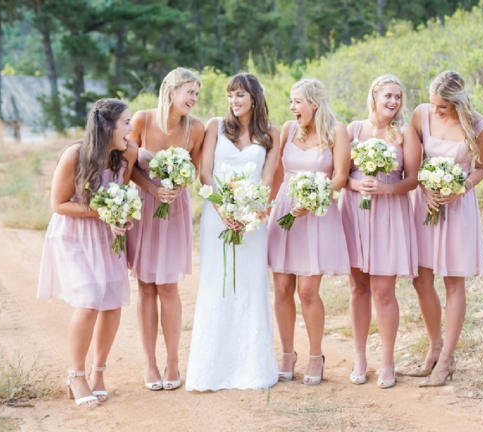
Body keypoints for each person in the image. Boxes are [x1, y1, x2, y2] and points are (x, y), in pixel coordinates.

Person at [38, 98, 137, 406]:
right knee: (90, 298)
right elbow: (58, 203)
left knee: (112, 302)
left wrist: (123, 214)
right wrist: (101, 212)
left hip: (107, 236)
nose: (131, 129)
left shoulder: (126, 153)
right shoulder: (75, 155)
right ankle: (76, 375)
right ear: (108, 126)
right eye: (126, 123)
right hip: (74, 235)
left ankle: (99, 372)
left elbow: (126, 190)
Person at [186, 73, 280, 391]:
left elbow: (267, 179)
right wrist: (223, 209)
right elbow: (204, 172)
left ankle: (251, 368)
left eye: (240, 95)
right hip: (217, 217)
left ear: (254, 97)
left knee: (251, 286)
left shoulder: (271, 134)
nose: (234, 101)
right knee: (218, 284)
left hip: (252, 221)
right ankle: (211, 367)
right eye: (230, 96)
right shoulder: (216, 126)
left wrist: (248, 211)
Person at [404, 70, 483, 387]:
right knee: (420, 278)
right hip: (426, 204)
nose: (435, 110)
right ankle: (434, 348)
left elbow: (481, 168)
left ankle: (447, 360)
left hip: (458, 208)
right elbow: (415, 160)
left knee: (454, 282)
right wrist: (424, 189)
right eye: (433, 104)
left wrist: (462, 187)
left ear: (457, 103)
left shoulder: (480, 128)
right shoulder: (420, 115)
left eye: (442, 107)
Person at [267, 78, 350, 385]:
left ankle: (316, 355)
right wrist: (266, 206)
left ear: (314, 103)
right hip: (285, 211)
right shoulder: (288, 129)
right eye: (291, 102)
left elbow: (340, 177)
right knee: (282, 289)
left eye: (297, 101)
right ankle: (288, 355)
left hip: (316, 213)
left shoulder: (336, 131)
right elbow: (277, 173)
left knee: (308, 291)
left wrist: (313, 197)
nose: (292, 107)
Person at [125, 68, 205, 390]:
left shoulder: (195, 129)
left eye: (197, 94)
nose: (194, 99)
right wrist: (152, 188)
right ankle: (150, 364)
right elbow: (125, 164)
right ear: (170, 90)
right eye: (190, 92)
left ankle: (173, 363)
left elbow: (197, 170)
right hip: (144, 207)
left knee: (168, 287)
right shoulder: (142, 120)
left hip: (174, 209)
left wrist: (177, 182)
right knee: (146, 286)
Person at [340, 75, 421, 388]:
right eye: (388, 95)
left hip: (389, 214)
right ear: (373, 96)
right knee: (357, 287)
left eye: (398, 97)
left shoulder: (405, 133)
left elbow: (413, 179)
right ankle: (360, 357)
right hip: (355, 214)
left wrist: (387, 188)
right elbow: (340, 175)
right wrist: (355, 183)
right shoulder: (352, 130)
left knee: (383, 291)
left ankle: (388, 361)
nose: (394, 102)